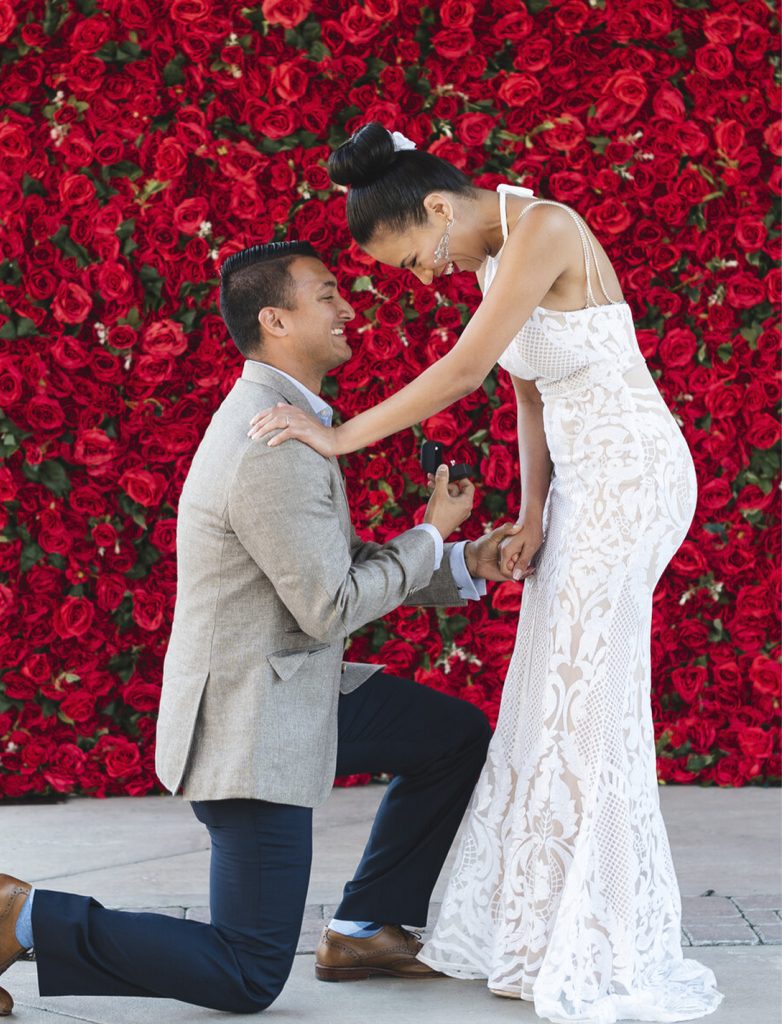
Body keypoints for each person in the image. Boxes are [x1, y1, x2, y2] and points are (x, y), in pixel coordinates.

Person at [0, 240, 522, 1017]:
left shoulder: (283, 420)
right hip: (250, 725)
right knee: (248, 972)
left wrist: (462, 559)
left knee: (450, 736)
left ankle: (363, 926)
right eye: (328, 294)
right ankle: (22, 918)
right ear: (276, 319)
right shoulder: (271, 445)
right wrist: (429, 532)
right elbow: (327, 603)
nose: (348, 307)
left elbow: (324, 562)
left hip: (290, 682)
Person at [248, 124, 724, 1022]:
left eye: (417, 259)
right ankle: (539, 929)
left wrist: (340, 434)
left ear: (438, 207)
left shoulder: (545, 226)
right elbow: (526, 394)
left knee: (592, 698)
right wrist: (536, 514)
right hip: (580, 488)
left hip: (634, 475)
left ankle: (601, 932)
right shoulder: (486, 258)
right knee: (546, 692)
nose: (423, 280)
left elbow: (468, 369)